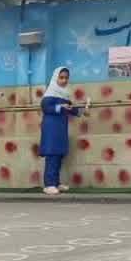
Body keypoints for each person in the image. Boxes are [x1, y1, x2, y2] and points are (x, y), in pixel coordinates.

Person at [39, 66, 82, 196]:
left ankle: (56, 183)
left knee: (58, 155)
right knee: (52, 155)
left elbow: (70, 108)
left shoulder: (65, 93)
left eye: (66, 78)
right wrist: (59, 107)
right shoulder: (50, 92)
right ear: (55, 77)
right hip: (51, 127)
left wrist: (81, 111)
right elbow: (46, 107)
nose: (64, 80)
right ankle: (49, 185)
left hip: (60, 128)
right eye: (61, 77)